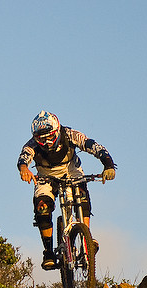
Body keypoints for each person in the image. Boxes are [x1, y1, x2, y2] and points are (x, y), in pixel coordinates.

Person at [17, 111, 116, 270]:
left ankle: (87, 237)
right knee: (42, 207)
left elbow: (94, 146)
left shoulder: (70, 135)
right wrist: (24, 169)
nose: (47, 142)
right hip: (46, 176)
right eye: (41, 139)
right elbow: (24, 158)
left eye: (49, 137)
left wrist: (108, 166)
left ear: (56, 131)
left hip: (71, 171)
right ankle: (48, 251)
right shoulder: (31, 145)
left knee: (82, 194)